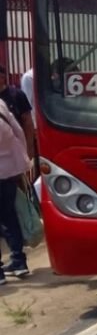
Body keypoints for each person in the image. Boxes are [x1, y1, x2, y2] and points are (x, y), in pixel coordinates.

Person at [0, 98, 32, 283]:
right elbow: (18, 132)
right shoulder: (2, 105)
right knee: (10, 216)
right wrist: (23, 159)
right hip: (10, 170)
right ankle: (19, 262)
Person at [0, 65, 34, 160]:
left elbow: (28, 122)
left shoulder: (17, 95)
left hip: (14, 150)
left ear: (2, 78)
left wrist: (29, 148)